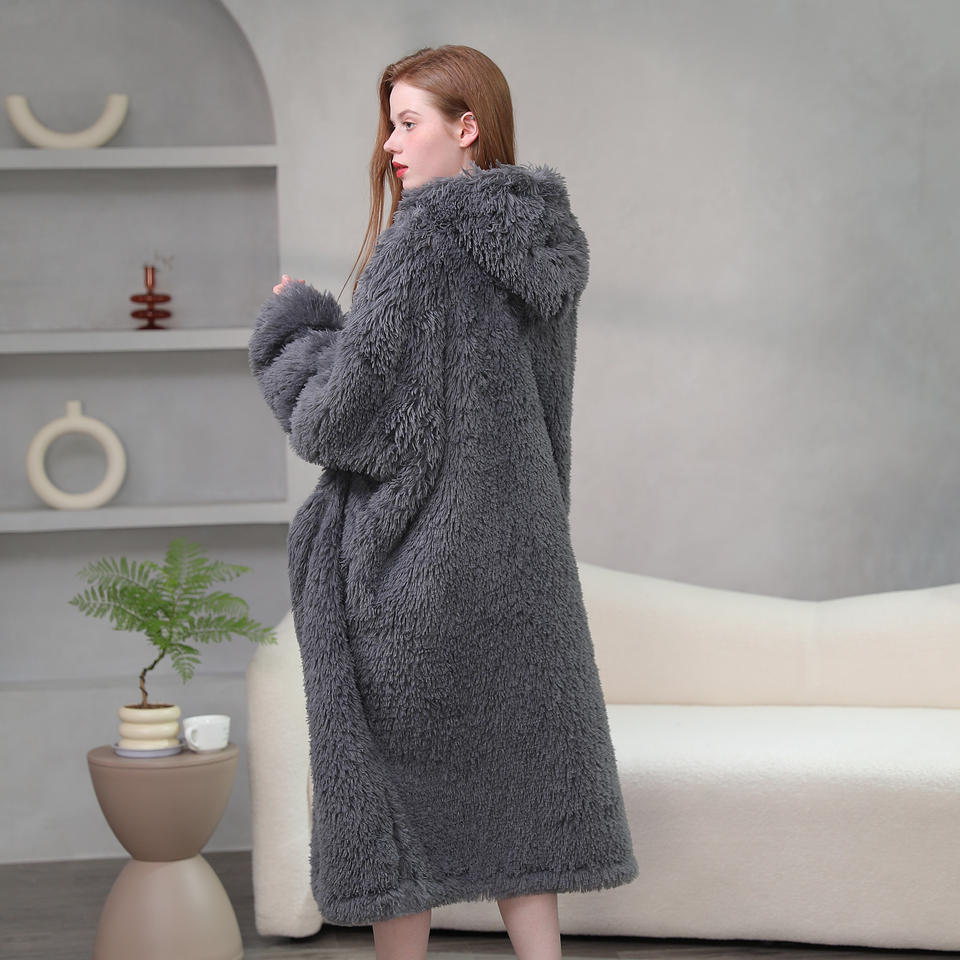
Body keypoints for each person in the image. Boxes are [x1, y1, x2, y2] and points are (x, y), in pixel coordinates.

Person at [249, 44, 637, 960]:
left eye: (407, 122)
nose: (389, 144)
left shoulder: (421, 241)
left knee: (399, 812)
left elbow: (344, 421)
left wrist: (296, 332)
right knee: (523, 795)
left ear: (467, 129)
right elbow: (544, 422)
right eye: (388, 124)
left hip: (414, 573)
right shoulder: (544, 242)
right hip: (521, 568)